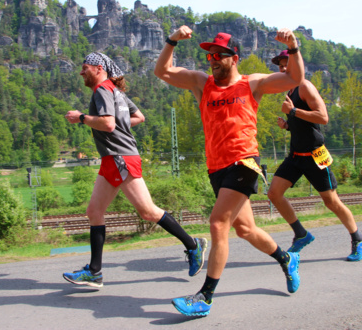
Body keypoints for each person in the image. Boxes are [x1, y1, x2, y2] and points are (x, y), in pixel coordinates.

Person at [154, 26, 304, 317]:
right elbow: (163, 71)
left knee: (218, 223)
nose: (212, 60)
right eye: (210, 55)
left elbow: (294, 78)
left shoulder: (253, 83)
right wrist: (172, 40)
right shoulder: (202, 83)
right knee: (245, 229)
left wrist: (294, 47)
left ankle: (205, 297)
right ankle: (286, 258)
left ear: (233, 58)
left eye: (219, 55)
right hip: (217, 167)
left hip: (244, 161)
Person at [63, 52, 207, 288]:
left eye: (85, 67)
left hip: (120, 158)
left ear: (99, 69)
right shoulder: (116, 92)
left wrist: (81, 117)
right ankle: (95, 272)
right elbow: (139, 117)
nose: (81, 72)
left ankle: (193, 245)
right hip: (113, 158)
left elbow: (108, 124)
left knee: (148, 212)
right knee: (94, 211)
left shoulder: (102, 91)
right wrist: (115, 123)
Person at [267, 50, 362, 261]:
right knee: (274, 193)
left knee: (332, 202)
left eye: (286, 65)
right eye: (280, 66)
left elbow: (323, 117)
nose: (282, 69)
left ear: (296, 65)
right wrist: (288, 126)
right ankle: (301, 234)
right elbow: (303, 125)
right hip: (296, 156)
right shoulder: (289, 91)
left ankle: (358, 239)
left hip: (315, 155)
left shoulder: (305, 87)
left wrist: (292, 113)